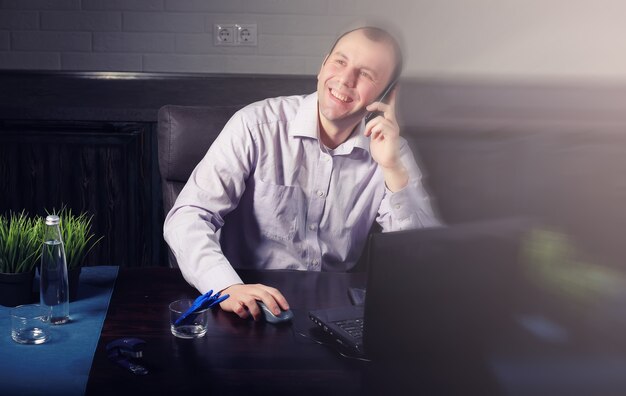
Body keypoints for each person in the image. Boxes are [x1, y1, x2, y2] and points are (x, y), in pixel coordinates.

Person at [163, 25, 440, 321]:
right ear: (322, 67)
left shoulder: (391, 150)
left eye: (366, 74)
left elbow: (423, 257)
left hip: (335, 312)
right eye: (340, 62)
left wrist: (393, 170)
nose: (345, 80)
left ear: (386, 93)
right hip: (245, 304)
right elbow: (187, 217)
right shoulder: (254, 126)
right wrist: (227, 287)